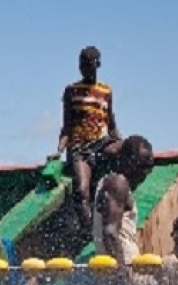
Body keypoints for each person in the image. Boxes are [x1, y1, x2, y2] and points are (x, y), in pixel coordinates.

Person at [59, 46, 123, 229]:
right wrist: (59, 150)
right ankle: (89, 231)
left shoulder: (106, 91)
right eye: (83, 65)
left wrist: (121, 142)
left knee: (130, 149)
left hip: (101, 143)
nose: (86, 68)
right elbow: (66, 126)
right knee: (81, 190)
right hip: (79, 146)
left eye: (90, 65)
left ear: (98, 65)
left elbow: (111, 123)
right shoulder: (71, 91)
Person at [93, 136, 154, 266]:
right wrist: (123, 275)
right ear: (124, 160)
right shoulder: (118, 184)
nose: (144, 173)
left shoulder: (110, 183)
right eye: (141, 165)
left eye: (149, 167)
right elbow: (110, 232)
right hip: (126, 266)